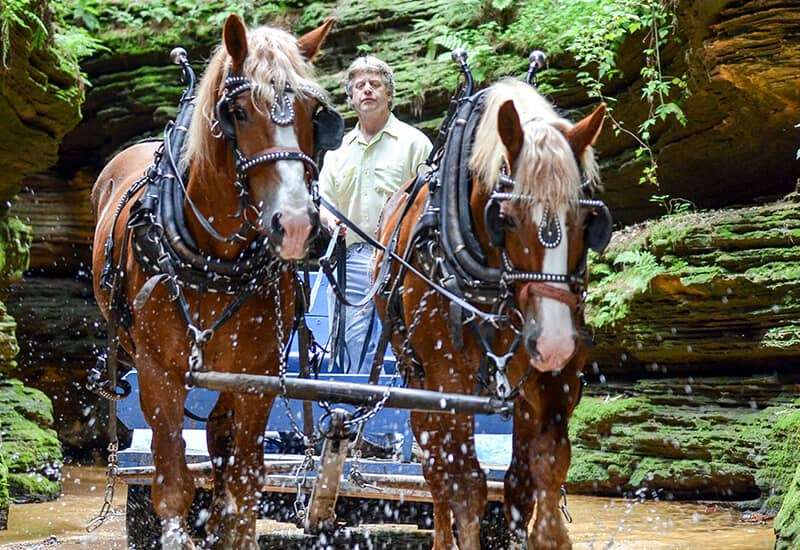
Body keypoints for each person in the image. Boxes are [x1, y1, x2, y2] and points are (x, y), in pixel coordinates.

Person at [318, 55, 432, 373]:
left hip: (405, 263)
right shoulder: (336, 151)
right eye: (360, 86)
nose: (367, 90)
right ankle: (353, 419)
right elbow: (322, 202)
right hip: (351, 260)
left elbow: (429, 203)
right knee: (350, 353)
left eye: (375, 84)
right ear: (351, 97)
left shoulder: (415, 144)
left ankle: (409, 415)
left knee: (411, 348)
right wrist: (327, 220)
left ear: (389, 94)